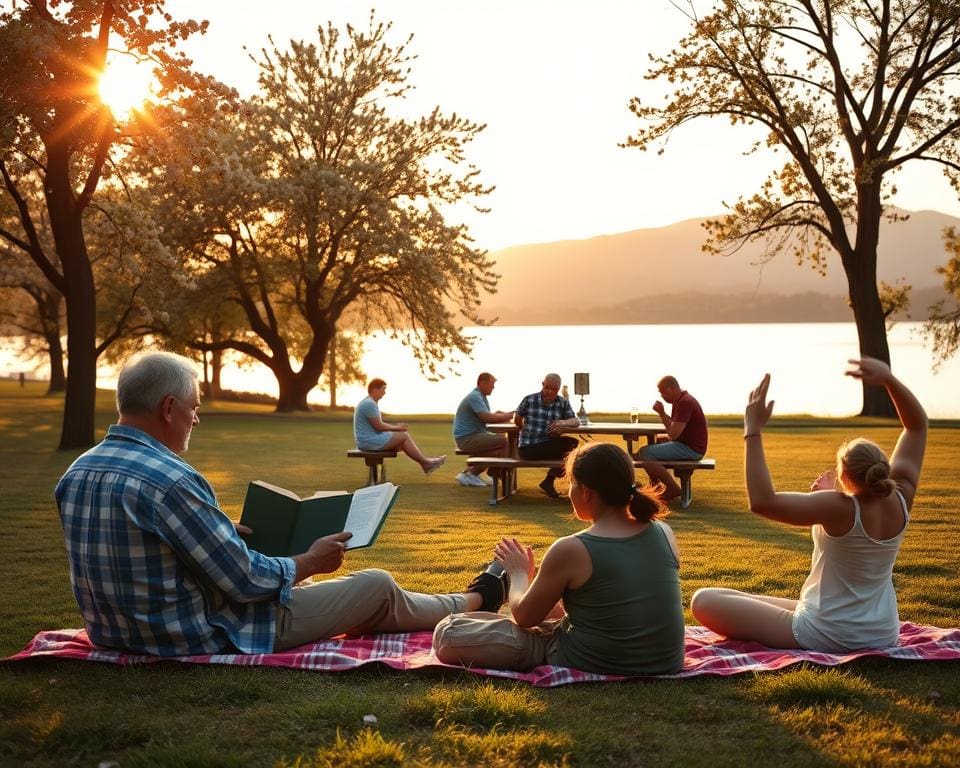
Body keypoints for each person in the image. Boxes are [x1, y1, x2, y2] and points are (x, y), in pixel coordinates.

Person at [55, 352, 505, 657]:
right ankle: (475, 599)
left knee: (348, 592)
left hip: (115, 633)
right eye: (194, 407)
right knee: (376, 586)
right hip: (200, 634)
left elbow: (138, 549)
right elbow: (245, 582)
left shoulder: (76, 472)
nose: (197, 417)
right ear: (169, 407)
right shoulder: (172, 480)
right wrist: (309, 561)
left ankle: (466, 599)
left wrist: (216, 529)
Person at [690, 357, 927, 651]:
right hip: (882, 632)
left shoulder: (837, 507)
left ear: (845, 477)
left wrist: (752, 429)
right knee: (731, 595)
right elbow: (916, 427)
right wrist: (889, 379)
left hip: (828, 635)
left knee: (704, 600)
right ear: (882, 467)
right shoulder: (902, 497)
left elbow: (763, 502)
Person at [433, 442, 686, 675]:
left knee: (449, 632)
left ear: (586, 492)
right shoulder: (663, 531)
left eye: (571, 483)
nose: (569, 491)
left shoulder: (573, 548)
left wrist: (519, 573)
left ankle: (489, 597)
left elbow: (524, 618)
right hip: (665, 661)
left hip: (592, 658)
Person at [638, 375, 708, 503]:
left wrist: (661, 413)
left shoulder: (685, 403)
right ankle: (656, 487)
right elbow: (674, 428)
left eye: (663, 392)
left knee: (645, 452)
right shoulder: (680, 401)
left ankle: (672, 488)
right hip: (688, 445)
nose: (662, 396)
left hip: (691, 449)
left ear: (671, 389)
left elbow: (673, 434)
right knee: (656, 442)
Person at [354, 378, 445, 475]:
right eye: (383, 389)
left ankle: (426, 464)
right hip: (369, 441)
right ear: (375, 390)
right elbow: (379, 426)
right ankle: (426, 463)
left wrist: (396, 428)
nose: (384, 393)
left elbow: (378, 425)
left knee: (402, 441)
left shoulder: (368, 402)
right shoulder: (369, 404)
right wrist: (397, 428)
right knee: (404, 436)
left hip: (368, 440)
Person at [515, 373, 580, 498]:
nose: (550, 392)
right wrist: (522, 427)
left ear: (558, 389)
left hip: (547, 445)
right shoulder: (529, 399)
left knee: (572, 446)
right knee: (571, 449)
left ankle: (549, 481)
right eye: (547, 388)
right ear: (542, 384)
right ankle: (549, 481)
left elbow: (576, 421)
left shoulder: (562, 402)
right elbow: (517, 417)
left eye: (554, 389)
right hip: (528, 448)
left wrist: (563, 422)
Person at [453, 372, 514, 487]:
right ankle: (492, 474)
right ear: (482, 383)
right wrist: (506, 416)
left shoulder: (481, 397)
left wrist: (502, 415)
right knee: (504, 442)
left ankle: (472, 474)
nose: (493, 387)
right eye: (492, 384)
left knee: (499, 448)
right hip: (467, 438)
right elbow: (487, 417)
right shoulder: (475, 396)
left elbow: (488, 417)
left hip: (471, 436)